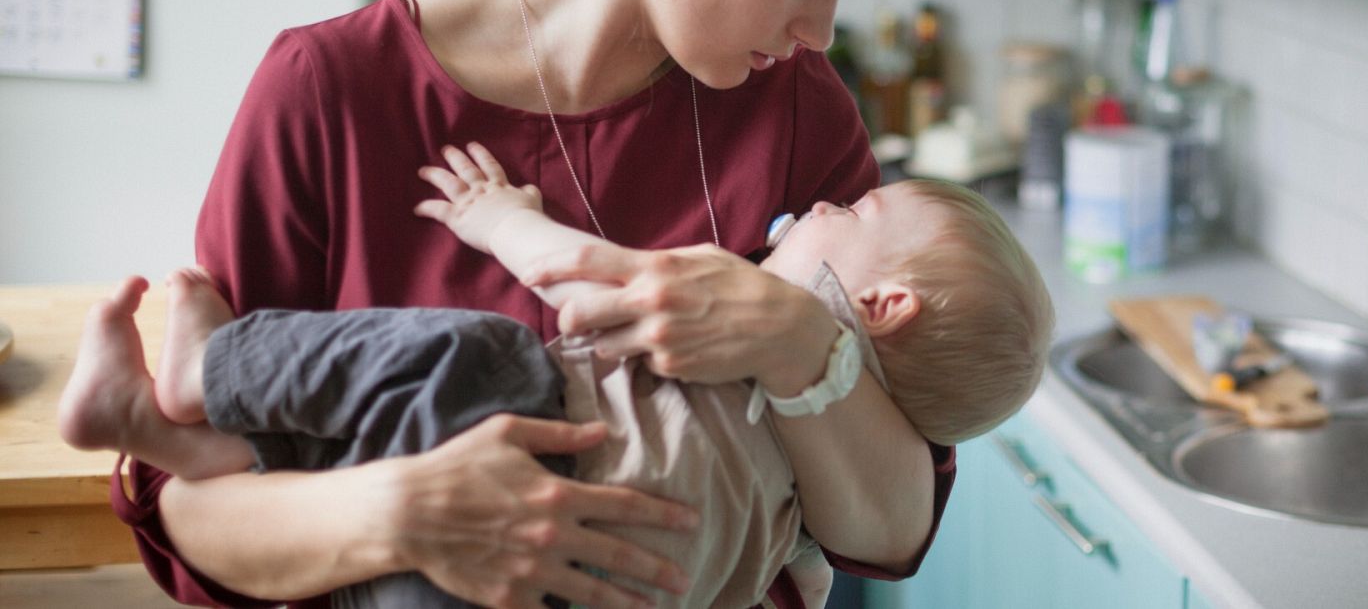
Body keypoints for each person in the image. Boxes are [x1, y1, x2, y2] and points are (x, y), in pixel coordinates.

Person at [109, 0, 950, 607]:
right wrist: (398, 515)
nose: (818, 33)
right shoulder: (328, 92)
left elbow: (892, 530)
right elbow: (188, 507)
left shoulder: (796, 111)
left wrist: (799, 343)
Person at [60, 143, 1055, 609]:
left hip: (546, 450)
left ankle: (204, 374)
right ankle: (169, 436)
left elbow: (583, 288)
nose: (819, 211)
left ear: (880, 306)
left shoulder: (750, 311)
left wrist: (498, 217)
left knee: (478, 355)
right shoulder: (813, 508)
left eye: (854, 214)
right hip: (549, 593)